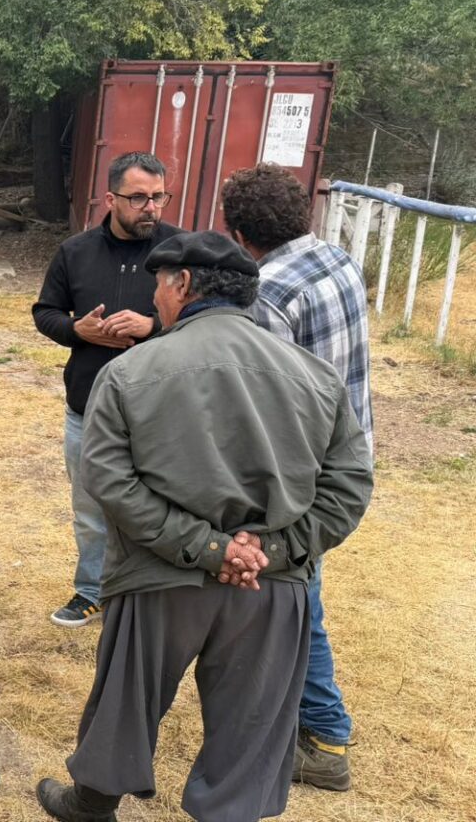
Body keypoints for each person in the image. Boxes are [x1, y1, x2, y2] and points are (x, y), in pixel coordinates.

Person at [36, 231, 374, 822]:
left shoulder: (130, 371)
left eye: (158, 287)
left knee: (125, 698)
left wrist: (211, 549)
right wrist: (270, 550)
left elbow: (109, 480)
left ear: (184, 284)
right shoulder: (316, 376)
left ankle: (91, 803)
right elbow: (349, 484)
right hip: (271, 583)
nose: (153, 300)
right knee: (252, 719)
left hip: (159, 575)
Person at [223, 163, 374, 792]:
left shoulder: (268, 294)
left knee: (296, 603)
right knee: (301, 594)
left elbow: (270, 407)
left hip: (301, 476)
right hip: (345, 460)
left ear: (238, 234)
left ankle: (326, 736)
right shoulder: (337, 259)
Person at [30, 151, 183, 628]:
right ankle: (92, 590)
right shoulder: (75, 252)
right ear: (110, 198)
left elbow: (208, 317)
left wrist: (154, 325)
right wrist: (77, 330)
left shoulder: (182, 251)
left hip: (160, 411)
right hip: (89, 409)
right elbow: (45, 313)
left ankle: (148, 594)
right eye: (138, 198)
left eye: (158, 196)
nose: (150, 207)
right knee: (91, 507)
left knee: (160, 506)